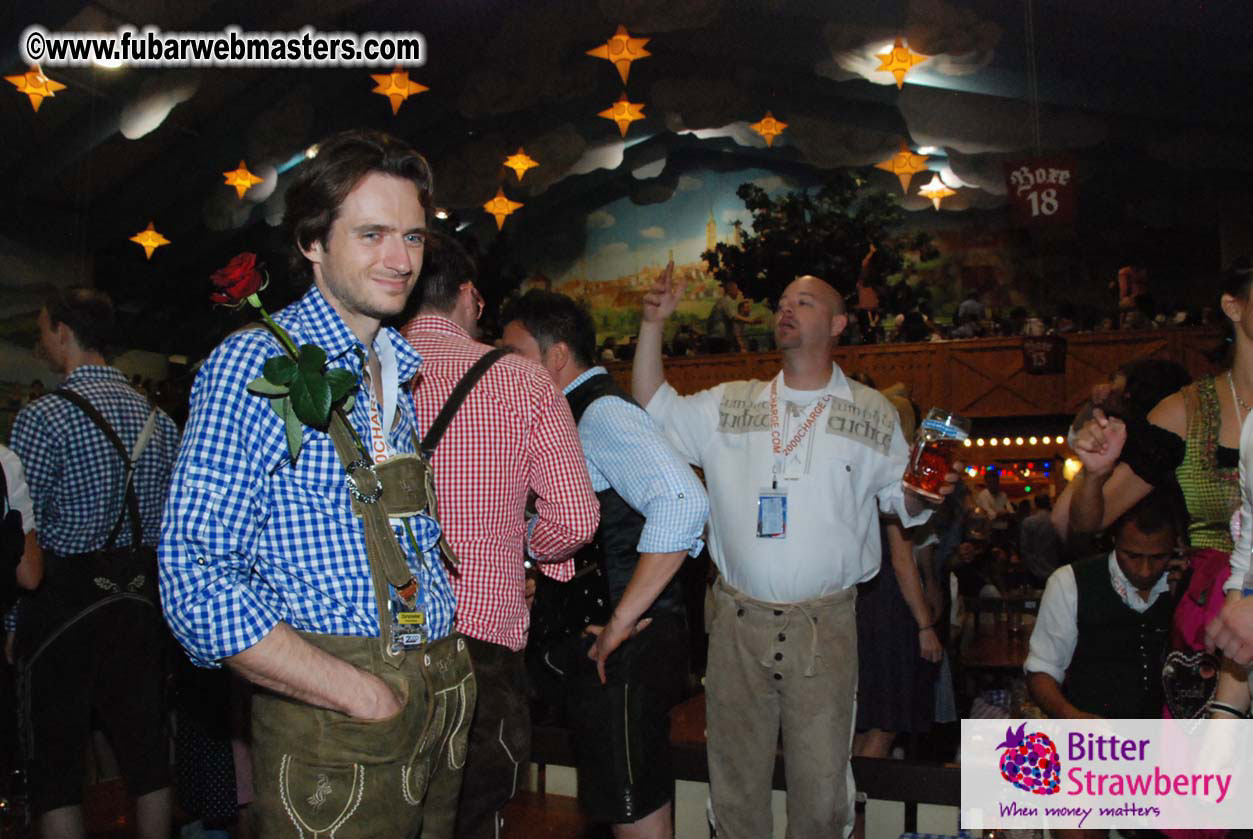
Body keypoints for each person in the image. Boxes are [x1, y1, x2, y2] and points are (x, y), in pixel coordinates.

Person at [160, 129, 472, 838]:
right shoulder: (254, 366)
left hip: (437, 704)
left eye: (414, 238)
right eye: (372, 234)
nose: (400, 259)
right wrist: (360, 693)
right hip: (343, 726)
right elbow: (195, 577)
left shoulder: (396, 369)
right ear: (311, 242)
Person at [632, 264, 959, 838]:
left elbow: (902, 508)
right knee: (733, 781)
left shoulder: (873, 412)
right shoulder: (731, 403)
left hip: (825, 626)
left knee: (821, 786)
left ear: (836, 323)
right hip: (735, 621)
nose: (786, 308)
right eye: (783, 301)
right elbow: (654, 406)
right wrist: (652, 325)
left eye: (803, 302)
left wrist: (919, 494)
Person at [399, 233, 599, 839]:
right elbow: (576, 517)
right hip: (480, 631)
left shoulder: (357, 373)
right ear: (468, 296)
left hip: (377, 636)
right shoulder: (522, 381)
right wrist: (532, 552)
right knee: (473, 806)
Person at [502, 290, 709, 839]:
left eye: (513, 353)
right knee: (630, 806)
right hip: (611, 648)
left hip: (625, 646)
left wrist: (620, 621)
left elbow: (684, 500)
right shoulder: (575, 410)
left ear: (556, 356)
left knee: (633, 811)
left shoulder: (600, 411)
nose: (502, 366)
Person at [11, 287, 180, 839]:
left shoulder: (41, 418)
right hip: (139, 599)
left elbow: (22, 536)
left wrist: (11, 623)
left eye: (42, 332)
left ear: (63, 331)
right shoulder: (159, 419)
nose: (42, 344)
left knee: (54, 763)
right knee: (145, 748)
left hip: (62, 602)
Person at [1063, 260, 1252, 719]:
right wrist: (1093, 475)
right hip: (1210, 617)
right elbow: (1087, 523)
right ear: (1233, 307)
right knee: (1215, 774)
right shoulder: (1187, 410)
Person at [1026, 487, 1182, 721]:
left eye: (1159, 557)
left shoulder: (1187, 583)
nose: (1145, 570)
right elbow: (1042, 670)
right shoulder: (1070, 582)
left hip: (1171, 740)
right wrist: (1072, 716)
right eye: (1133, 556)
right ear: (1113, 540)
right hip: (1095, 741)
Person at [1019, 495, 1061, 586]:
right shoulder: (1056, 521)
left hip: (1034, 567)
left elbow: (1024, 548)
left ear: (1035, 505)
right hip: (1054, 565)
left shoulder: (1028, 522)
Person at [704, 280, 742, 353]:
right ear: (730, 291)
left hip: (715, 336)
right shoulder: (727, 301)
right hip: (720, 337)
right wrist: (751, 321)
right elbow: (733, 317)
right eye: (736, 290)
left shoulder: (722, 301)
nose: (738, 293)